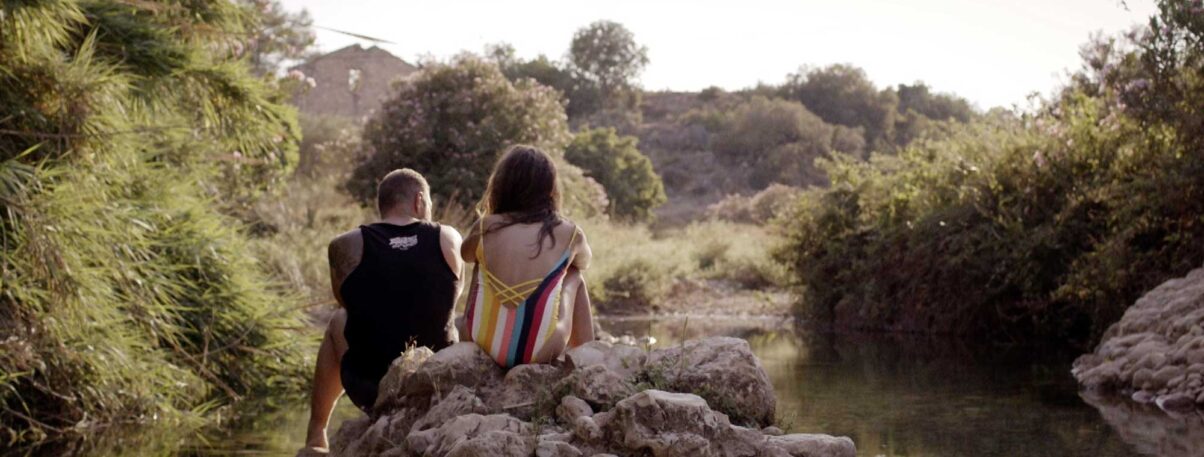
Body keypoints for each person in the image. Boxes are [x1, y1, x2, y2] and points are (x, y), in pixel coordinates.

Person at [302, 169, 463, 453]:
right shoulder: (448, 237)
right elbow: (453, 296)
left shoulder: (345, 245)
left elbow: (347, 303)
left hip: (371, 388)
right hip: (435, 382)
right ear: (419, 200)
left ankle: (317, 433)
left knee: (338, 321)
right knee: (456, 321)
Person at [459, 145, 595, 367]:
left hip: (480, 342)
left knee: (479, 259)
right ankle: (587, 358)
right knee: (574, 274)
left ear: (502, 186)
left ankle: (485, 331)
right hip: (540, 351)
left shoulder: (485, 226)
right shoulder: (569, 232)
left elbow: (465, 255)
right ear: (550, 190)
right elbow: (585, 262)